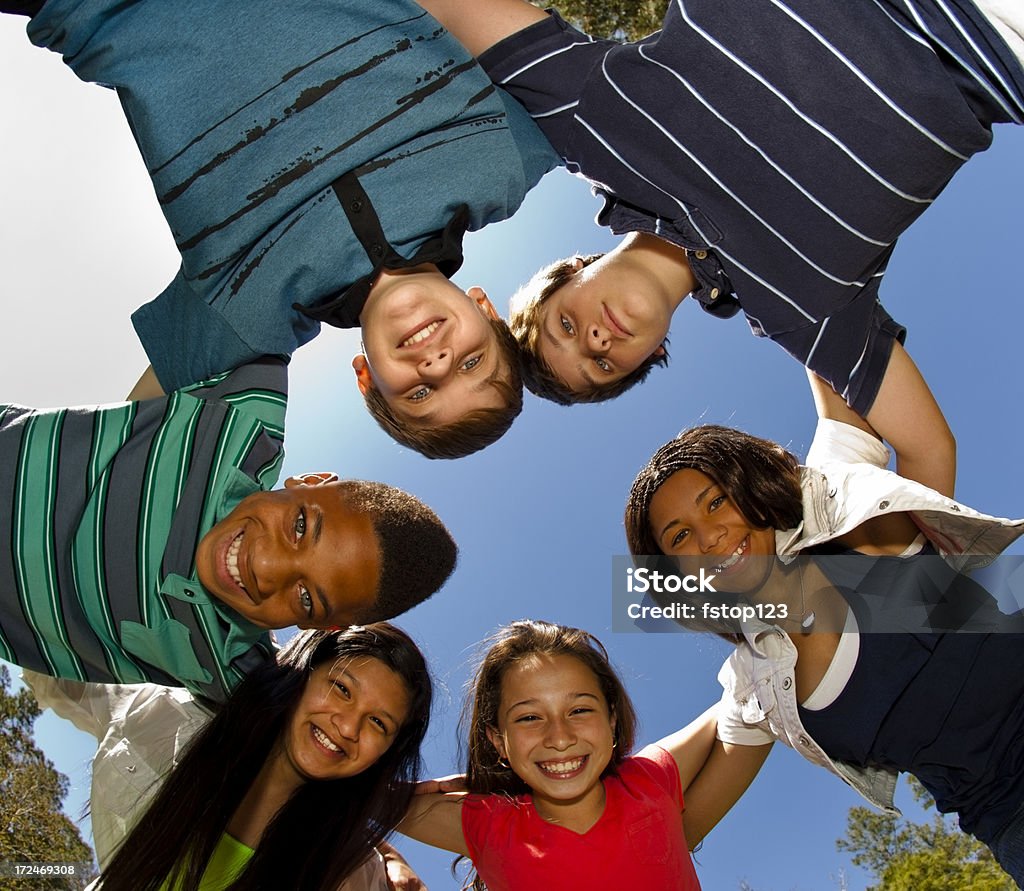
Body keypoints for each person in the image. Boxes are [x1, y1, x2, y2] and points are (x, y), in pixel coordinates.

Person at [418, 0, 1024, 488]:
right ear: (653, 355)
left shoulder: (592, 125)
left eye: (565, 328)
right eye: (601, 366)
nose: (597, 340)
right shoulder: (802, 315)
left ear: (571, 270)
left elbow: (455, 9)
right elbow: (929, 452)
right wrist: (886, 615)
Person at [5, 1, 559, 459]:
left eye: (420, 392)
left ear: (366, 377)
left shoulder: (247, 321)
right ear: (486, 311)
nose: (437, 363)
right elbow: (618, 107)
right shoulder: (507, 158)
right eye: (472, 362)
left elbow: (110, 447)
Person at [623, 380, 1024, 883]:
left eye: (716, 501)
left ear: (750, 489)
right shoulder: (758, 687)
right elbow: (670, 835)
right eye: (679, 535)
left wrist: (765, 300)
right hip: (1010, 816)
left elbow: (833, 341)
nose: (709, 536)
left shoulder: (836, 509)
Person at [0, 358, 457, 702]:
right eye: (300, 526)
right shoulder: (240, 413)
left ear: (318, 625)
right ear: (312, 482)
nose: (264, 566)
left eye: (305, 597)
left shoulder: (236, 675)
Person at [24, 624, 433, 890]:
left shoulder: (350, 874)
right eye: (342, 689)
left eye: (378, 723)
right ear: (303, 672)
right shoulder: (165, 718)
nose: (348, 727)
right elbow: (56, 662)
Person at [399, 619, 722, 891]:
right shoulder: (485, 823)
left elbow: (742, 705)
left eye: (579, 710)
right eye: (529, 717)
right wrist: (482, 783)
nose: (560, 738)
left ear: (611, 721)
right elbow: (357, 788)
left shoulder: (646, 777)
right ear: (498, 741)